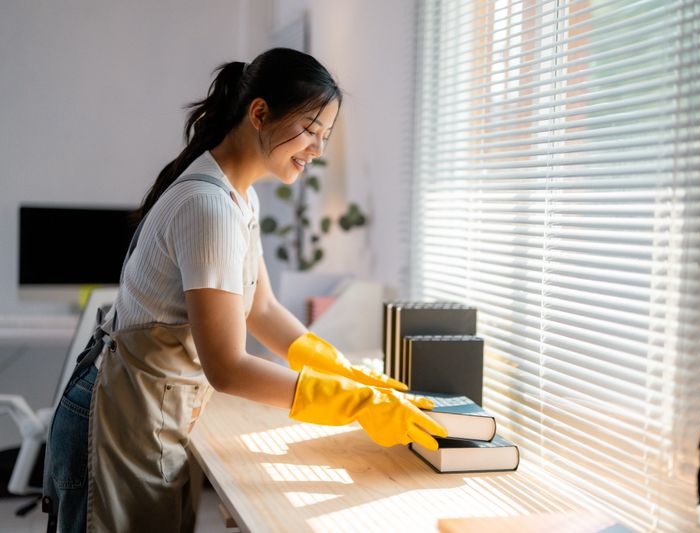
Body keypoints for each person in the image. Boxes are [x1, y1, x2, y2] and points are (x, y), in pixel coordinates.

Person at [42, 47, 447, 533]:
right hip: (116, 421)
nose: (318, 150)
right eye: (311, 131)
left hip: (150, 414)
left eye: (325, 137)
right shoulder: (207, 207)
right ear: (260, 113)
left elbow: (263, 308)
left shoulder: (239, 198)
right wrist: (353, 403)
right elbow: (228, 367)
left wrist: (344, 372)